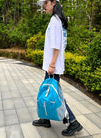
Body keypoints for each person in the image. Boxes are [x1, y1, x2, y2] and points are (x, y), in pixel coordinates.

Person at [32, 0, 83, 136]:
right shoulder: (57, 20)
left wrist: (52, 64)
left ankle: (73, 122)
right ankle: (45, 119)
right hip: (52, 65)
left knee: (55, 95)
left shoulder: (55, 21)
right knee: (49, 92)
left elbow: (57, 46)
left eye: (45, 3)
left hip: (52, 66)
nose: (44, 7)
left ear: (53, 3)